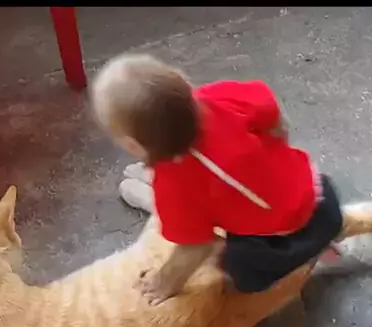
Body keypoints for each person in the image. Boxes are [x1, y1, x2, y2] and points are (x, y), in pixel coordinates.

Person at [91, 53, 343, 305]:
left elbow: (196, 246)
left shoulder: (174, 187)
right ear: (183, 81)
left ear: (133, 146)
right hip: (320, 192)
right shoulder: (217, 96)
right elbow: (271, 111)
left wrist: (164, 281)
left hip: (284, 241)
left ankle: (304, 256)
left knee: (240, 269)